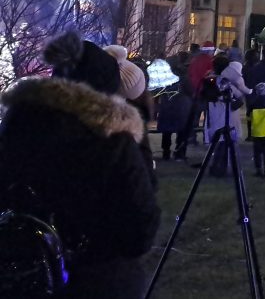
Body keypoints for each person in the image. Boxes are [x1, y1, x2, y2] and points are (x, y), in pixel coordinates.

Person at [0, 31, 159, 297]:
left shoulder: (17, 128)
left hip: (23, 276)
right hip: (99, 279)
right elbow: (139, 232)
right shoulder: (113, 142)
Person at [157, 54, 194, 161]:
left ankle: (166, 152)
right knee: (182, 131)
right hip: (181, 106)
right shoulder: (183, 75)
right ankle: (179, 153)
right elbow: (190, 90)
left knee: (166, 131)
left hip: (167, 105)